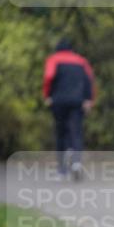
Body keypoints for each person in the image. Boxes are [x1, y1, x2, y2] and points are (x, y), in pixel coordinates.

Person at [42, 38, 95, 179]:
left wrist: (47, 95)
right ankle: (76, 161)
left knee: (61, 133)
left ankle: (62, 170)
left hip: (58, 101)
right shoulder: (81, 61)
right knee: (75, 131)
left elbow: (48, 77)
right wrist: (89, 99)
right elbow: (89, 80)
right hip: (77, 101)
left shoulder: (53, 59)